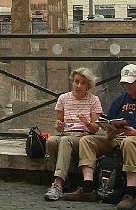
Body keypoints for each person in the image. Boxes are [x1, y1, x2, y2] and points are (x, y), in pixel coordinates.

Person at [64, 64, 136, 210]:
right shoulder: (119, 101)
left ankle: (131, 192)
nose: (127, 86)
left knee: (129, 142)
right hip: (119, 138)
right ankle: (88, 187)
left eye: (130, 83)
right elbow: (109, 130)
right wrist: (110, 131)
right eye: (124, 83)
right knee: (87, 140)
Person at [43, 68, 103, 201]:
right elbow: (59, 124)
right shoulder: (63, 98)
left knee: (65, 141)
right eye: (76, 82)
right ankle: (66, 180)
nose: (79, 86)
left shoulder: (93, 100)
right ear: (72, 82)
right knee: (51, 141)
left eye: (83, 83)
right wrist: (58, 125)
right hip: (66, 133)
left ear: (88, 85)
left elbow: (95, 129)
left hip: (83, 137)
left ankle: (57, 184)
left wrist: (87, 122)